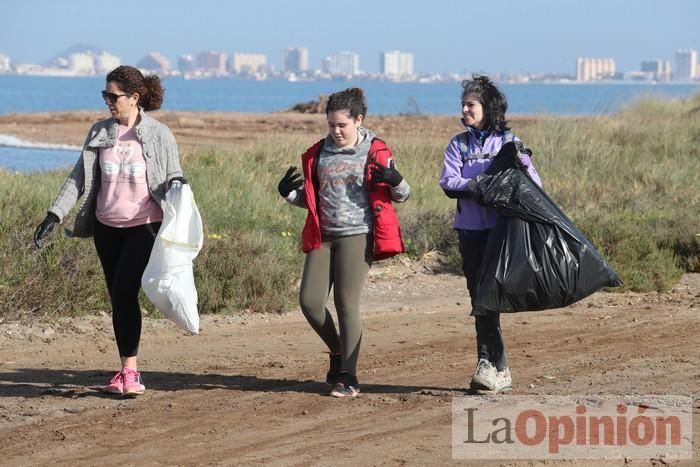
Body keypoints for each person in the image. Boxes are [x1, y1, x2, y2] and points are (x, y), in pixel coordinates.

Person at [33, 65, 187, 398]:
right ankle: (126, 369)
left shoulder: (160, 134)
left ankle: (131, 373)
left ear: (134, 97)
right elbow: (78, 177)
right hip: (106, 228)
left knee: (123, 292)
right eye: (105, 95)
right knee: (119, 298)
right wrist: (54, 214)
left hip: (144, 227)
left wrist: (176, 183)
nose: (108, 102)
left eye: (113, 96)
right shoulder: (99, 132)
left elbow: (175, 174)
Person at [277, 87, 410, 398]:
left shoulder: (375, 151)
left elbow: (402, 195)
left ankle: (349, 376)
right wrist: (289, 194)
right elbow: (313, 200)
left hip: (358, 234)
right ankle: (338, 352)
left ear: (358, 120)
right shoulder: (319, 153)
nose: (336, 131)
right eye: (331, 125)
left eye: (342, 125)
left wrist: (396, 180)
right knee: (309, 302)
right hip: (324, 235)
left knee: (345, 303)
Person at [439, 75, 542, 393]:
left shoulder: (510, 144)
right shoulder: (458, 144)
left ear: (488, 108)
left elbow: (535, 184)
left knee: (489, 298)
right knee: (480, 298)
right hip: (469, 233)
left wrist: (503, 182)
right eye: (463, 104)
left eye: (470, 104)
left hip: (502, 234)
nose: (465, 109)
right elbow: (447, 182)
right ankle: (499, 368)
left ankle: (489, 364)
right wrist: (479, 185)